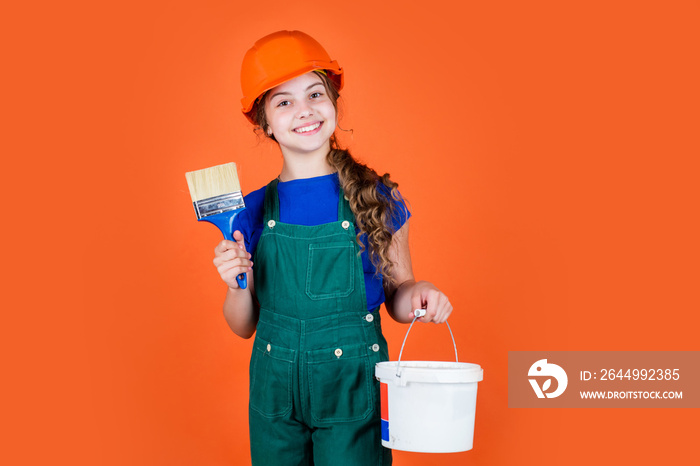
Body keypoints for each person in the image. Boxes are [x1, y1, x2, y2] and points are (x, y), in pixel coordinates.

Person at [212, 30, 452, 466]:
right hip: (274, 396)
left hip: (351, 389)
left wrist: (420, 294)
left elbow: (400, 296)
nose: (304, 110)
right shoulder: (247, 212)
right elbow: (243, 326)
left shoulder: (379, 199)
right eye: (283, 101)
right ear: (264, 122)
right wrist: (235, 284)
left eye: (315, 93)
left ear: (333, 103)